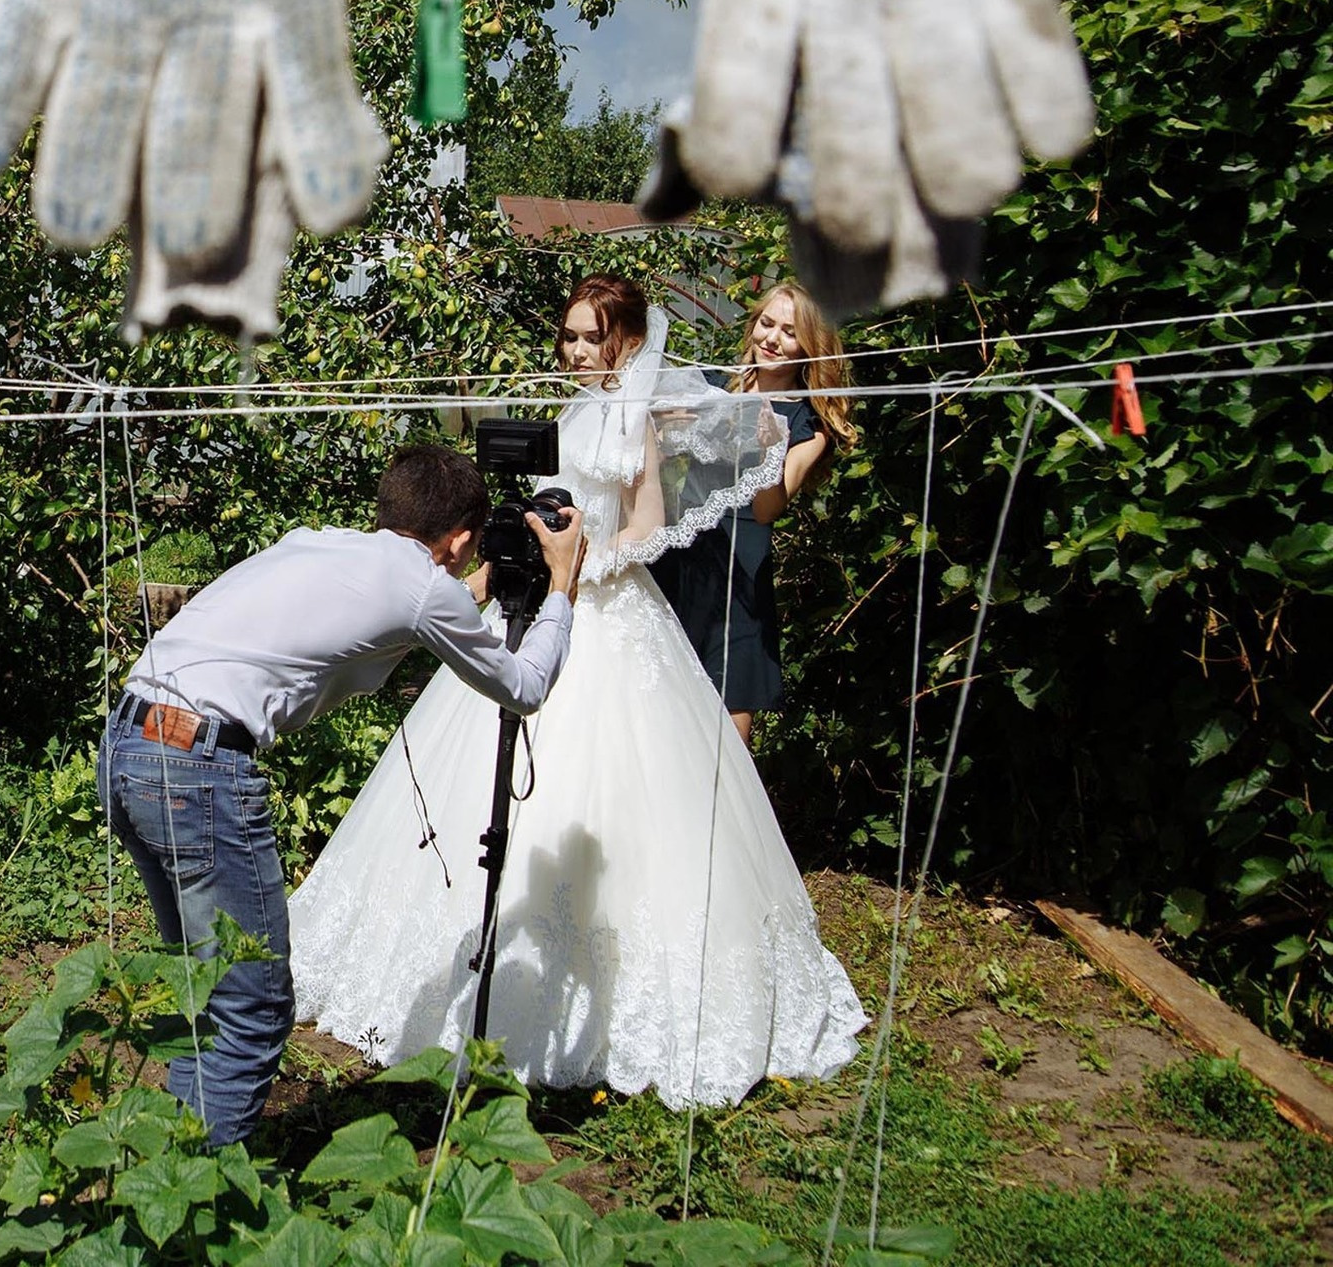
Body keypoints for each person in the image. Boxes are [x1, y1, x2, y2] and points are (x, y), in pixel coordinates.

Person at [288, 274, 865, 1108]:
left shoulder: (638, 418)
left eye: (593, 338)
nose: (577, 351)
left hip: (608, 611)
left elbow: (646, 523)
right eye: (568, 337)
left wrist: (587, 564)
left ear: (626, 340)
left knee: (627, 794)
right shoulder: (575, 409)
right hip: (546, 605)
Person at [100, 443, 587, 1146]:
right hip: (196, 769)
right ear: (456, 540)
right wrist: (564, 586)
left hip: (128, 742)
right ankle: (199, 1208)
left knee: (202, 987)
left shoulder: (323, 545)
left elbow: (401, 607)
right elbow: (524, 686)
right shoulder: (423, 586)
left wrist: (474, 586)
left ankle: (166, 1163)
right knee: (253, 1004)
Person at [652, 281, 856, 744]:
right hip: (683, 549)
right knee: (661, 695)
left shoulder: (810, 423)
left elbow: (767, 509)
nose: (772, 339)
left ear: (809, 345)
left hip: (740, 572)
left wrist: (765, 450)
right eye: (767, 324)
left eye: (789, 331)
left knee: (730, 711)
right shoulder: (710, 387)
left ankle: (725, 811)